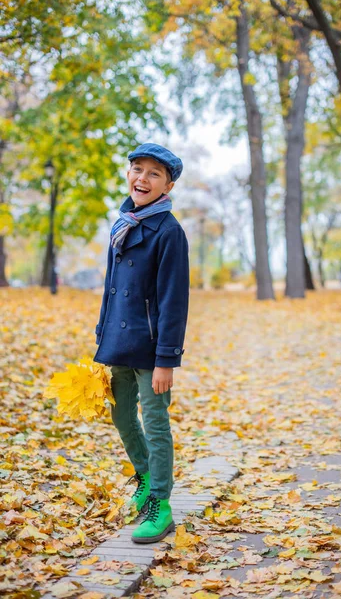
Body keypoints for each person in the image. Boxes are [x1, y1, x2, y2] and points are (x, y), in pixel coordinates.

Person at [93, 143, 190, 544]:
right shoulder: (122, 225)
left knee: (154, 422)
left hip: (151, 348)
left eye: (153, 174)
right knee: (119, 414)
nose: (142, 179)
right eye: (137, 169)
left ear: (167, 184)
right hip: (119, 340)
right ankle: (146, 478)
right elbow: (111, 290)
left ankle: (161, 505)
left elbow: (173, 301)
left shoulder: (168, 232)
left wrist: (167, 359)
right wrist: (101, 339)